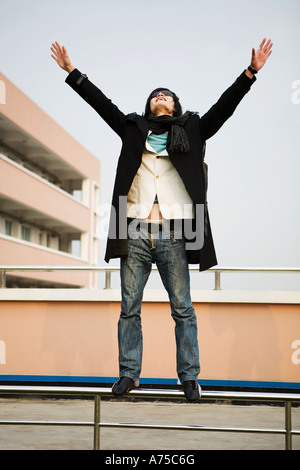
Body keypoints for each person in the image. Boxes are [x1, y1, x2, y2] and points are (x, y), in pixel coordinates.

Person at [51, 38, 273, 402]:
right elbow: (101, 105)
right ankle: (128, 375)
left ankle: (188, 378)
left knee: (183, 309)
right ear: (148, 105)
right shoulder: (132, 127)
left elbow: (224, 108)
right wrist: (72, 72)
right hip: (134, 230)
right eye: (156, 95)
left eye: (167, 95)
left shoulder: (194, 128)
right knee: (128, 309)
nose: (161, 98)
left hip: (174, 233)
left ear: (176, 105)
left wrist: (249, 74)